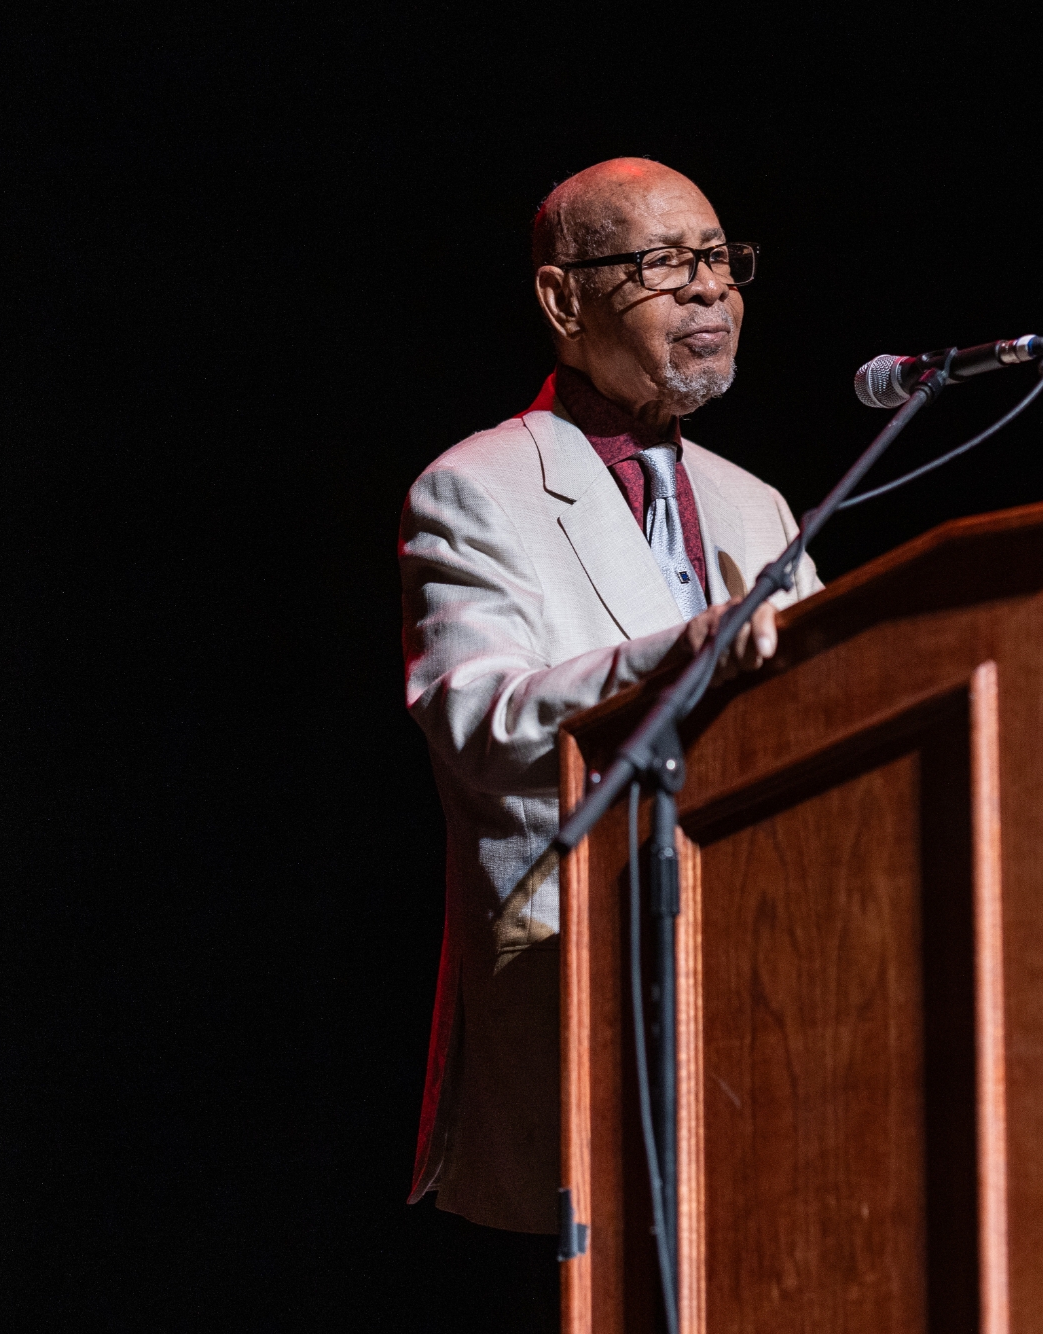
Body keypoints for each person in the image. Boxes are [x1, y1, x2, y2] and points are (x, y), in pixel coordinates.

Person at [399, 158, 819, 1232]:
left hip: (766, 995)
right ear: (561, 297)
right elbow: (479, 723)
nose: (709, 290)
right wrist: (685, 649)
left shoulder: (757, 505)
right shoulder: (476, 486)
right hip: (578, 1000)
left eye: (720, 260)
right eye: (663, 263)